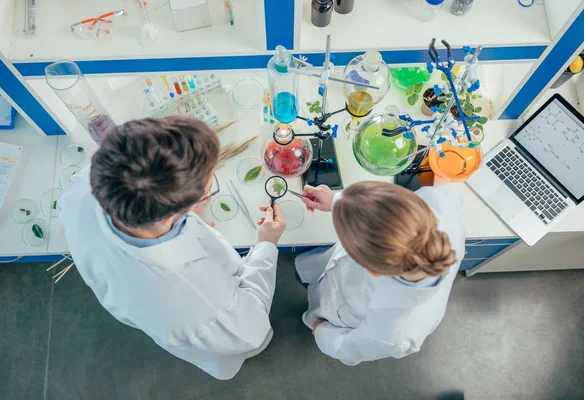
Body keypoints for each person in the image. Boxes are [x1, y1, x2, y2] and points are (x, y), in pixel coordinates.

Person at [59, 116, 286, 380]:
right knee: (255, 343)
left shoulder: (85, 185)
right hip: (226, 334)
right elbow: (252, 328)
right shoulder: (196, 301)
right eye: (207, 188)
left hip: (133, 295)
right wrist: (266, 246)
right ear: (171, 214)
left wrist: (187, 214)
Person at [295, 182, 465, 366]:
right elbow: (385, 214)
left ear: (371, 270)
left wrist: (322, 332)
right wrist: (338, 201)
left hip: (341, 312)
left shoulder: (395, 333)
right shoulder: (440, 205)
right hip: (339, 276)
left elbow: (348, 346)